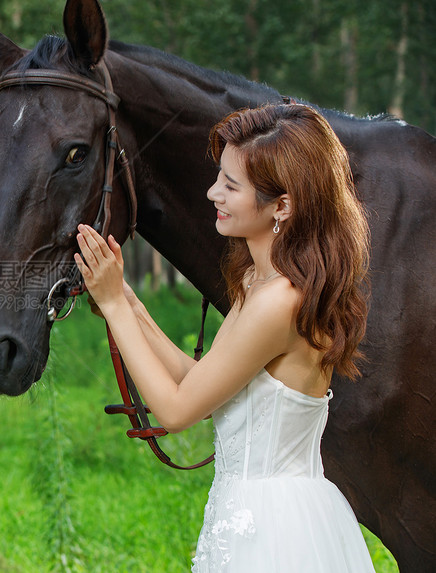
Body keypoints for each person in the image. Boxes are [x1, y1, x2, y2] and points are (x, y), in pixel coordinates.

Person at [74, 104, 375, 572]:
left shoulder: (280, 302)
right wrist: (129, 302)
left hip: (274, 533)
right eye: (220, 177)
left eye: (231, 186)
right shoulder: (260, 282)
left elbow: (176, 410)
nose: (213, 192)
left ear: (283, 205)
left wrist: (114, 306)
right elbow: (205, 383)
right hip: (250, 516)